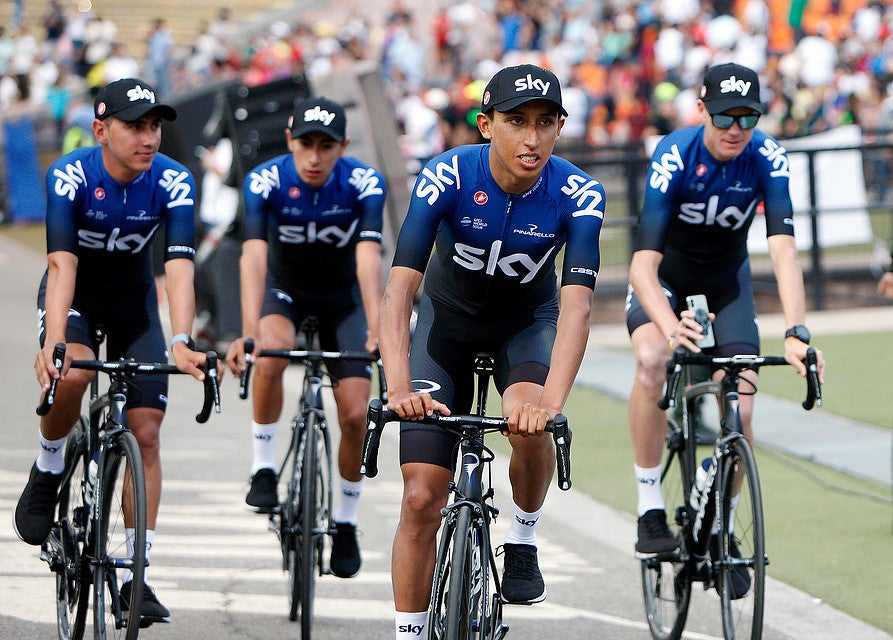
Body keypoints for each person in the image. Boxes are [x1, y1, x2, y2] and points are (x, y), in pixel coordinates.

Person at [379, 64, 605, 640]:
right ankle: (408, 633)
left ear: (559, 127)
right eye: (515, 122)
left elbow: (576, 306)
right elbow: (401, 287)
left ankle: (523, 537)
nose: (531, 138)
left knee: (529, 425)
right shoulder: (446, 175)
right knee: (421, 494)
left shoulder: (579, 193)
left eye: (544, 123)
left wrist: (551, 403)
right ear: (486, 125)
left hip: (524, 328)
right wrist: (398, 387)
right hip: (445, 332)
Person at [14, 78, 208, 625]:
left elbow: (179, 267)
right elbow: (61, 265)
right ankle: (48, 468)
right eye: (134, 127)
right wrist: (54, 341)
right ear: (101, 130)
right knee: (72, 375)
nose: (149, 138)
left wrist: (181, 340)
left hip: (133, 305)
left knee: (145, 431)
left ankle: (135, 576)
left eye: (154, 126)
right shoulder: (71, 174)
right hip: (73, 297)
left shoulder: (174, 180)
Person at [625, 62, 826, 558]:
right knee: (652, 361)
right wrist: (673, 331)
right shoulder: (674, 154)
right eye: (723, 117)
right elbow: (641, 269)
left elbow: (784, 251)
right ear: (701, 111)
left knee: (742, 408)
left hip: (726, 284)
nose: (735, 129)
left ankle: (723, 530)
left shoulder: (767, 157)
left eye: (747, 118)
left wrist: (797, 331)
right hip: (666, 280)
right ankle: (650, 505)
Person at [225, 96, 386, 579]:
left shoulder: (363, 182)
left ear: (343, 146)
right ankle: (264, 466)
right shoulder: (265, 180)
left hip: (344, 301)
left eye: (326, 146)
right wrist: (250, 330)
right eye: (306, 145)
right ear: (290, 141)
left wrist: (378, 326)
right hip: (286, 292)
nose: (315, 157)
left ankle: (346, 522)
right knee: (270, 355)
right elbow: (253, 256)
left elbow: (368, 259)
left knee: (356, 413)